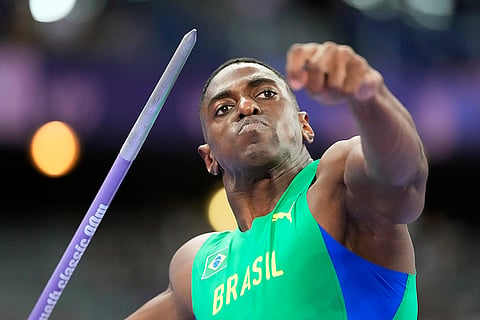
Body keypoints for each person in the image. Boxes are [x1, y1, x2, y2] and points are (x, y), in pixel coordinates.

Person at [126, 41, 428, 319]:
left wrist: (370, 96)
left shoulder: (337, 183)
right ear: (210, 158)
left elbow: (403, 177)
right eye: (224, 109)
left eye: (266, 94)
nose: (246, 107)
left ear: (304, 126)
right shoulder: (196, 268)